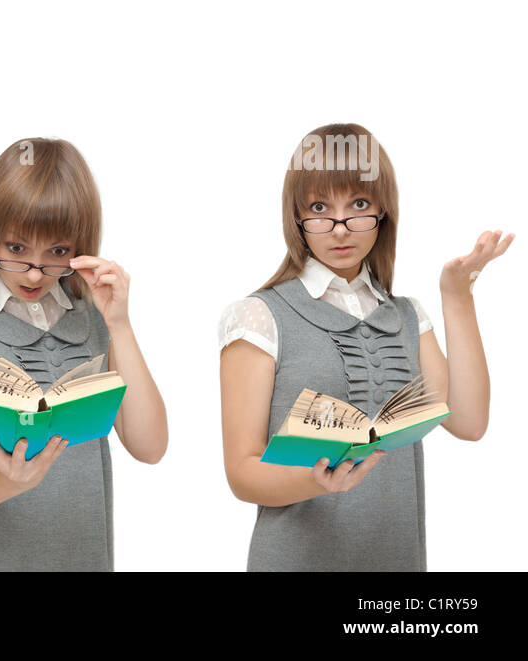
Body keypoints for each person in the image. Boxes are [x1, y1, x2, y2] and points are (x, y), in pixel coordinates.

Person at [218, 123, 513, 571]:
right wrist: (316, 481)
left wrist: (457, 293)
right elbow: (242, 473)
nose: (340, 228)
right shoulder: (260, 316)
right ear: (296, 217)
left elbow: (470, 422)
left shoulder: (408, 317)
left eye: (357, 205)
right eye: (319, 208)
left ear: (382, 211)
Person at [0, 137, 168, 571]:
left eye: (57, 253)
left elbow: (150, 446)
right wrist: (7, 480)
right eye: (16, 249)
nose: (34, 272)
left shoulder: (95, 321)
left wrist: (119, 322)